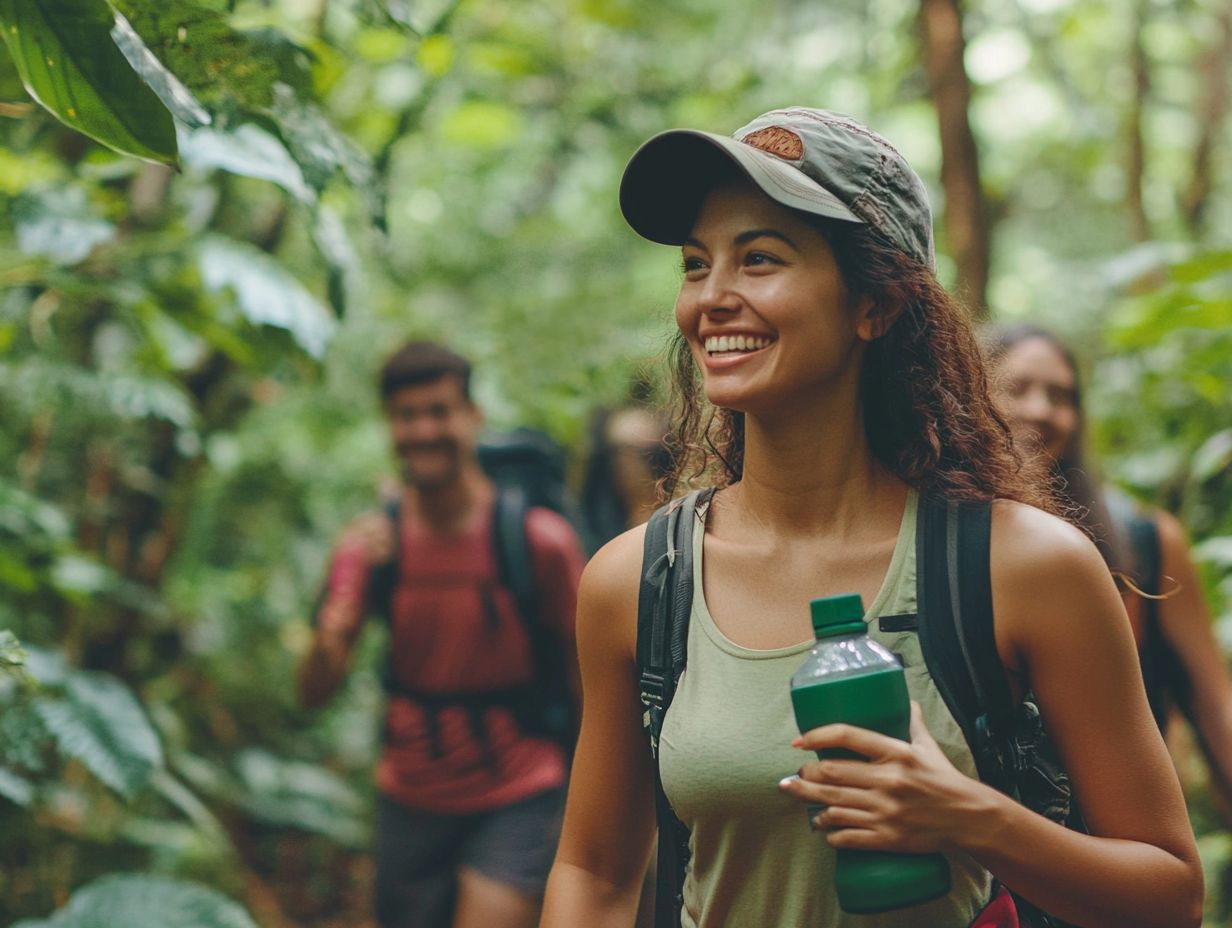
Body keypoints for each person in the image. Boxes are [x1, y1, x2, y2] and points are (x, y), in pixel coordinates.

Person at [540, 108, 1202, 927]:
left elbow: (1170, 891)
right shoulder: (638, 581)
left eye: (760, 259)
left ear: (875, 304)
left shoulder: (1024, 567)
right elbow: (596, 871)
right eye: (694, 265)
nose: (712, 298)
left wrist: (969, 816)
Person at [297, 340, 585, 928]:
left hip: (519, 784)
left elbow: (588, 675)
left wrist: (592, 803)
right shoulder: (372, 545)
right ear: (389, 425)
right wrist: (337, 626)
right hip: (409, 793)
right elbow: (312, 691)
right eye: (407, 416)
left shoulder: (539, 542)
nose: (424, 430)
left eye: (440, 411)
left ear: (472, 416)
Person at [986, 323, 1232, 802]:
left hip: (1130, 837)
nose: (1041, 410)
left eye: (1061, 396)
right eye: (1017, 389)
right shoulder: (937, 541)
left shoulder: (1144, 540)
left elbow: (1216, 708)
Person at [578, 402, 673, 555]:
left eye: (641, 453)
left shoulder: (681, 519)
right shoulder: (590, 519)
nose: (624, 462)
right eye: (616, 452)